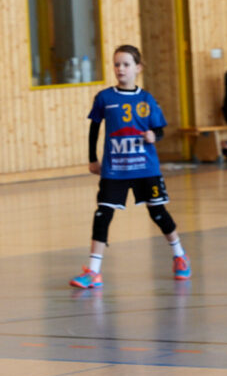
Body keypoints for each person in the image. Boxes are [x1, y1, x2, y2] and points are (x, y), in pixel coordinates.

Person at [70, 45, 191, 289]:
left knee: (158, 213)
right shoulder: (105, 98)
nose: (120, 69)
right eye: (117, 64)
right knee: (102, 214)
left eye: (126, 64)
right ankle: (94, 271)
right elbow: (94, 128)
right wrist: (93, 158)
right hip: (115, 168)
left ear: (138, 68)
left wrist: (153, 137)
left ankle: (179, 255)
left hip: (146, 168)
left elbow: (159, 130)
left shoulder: (147, 99)